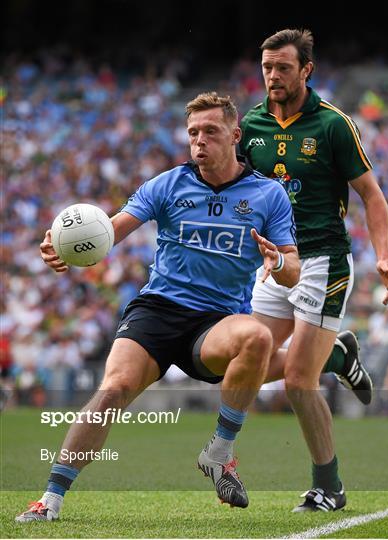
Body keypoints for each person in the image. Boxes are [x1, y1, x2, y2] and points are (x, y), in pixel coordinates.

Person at [16, 92, 300, 522]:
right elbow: (109, 231)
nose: (199, 141)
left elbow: (292, 271)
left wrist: (276, 259)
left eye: (210, 132)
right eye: (193, 133)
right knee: (111, 389)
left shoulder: (268, 195)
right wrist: (65, 247)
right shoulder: (167, 184)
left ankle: (219, 453)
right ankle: (49, 499)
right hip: (158, 310)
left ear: (235, 135)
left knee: (258, 336)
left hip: (217, 321)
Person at [240, 29, 388, 512]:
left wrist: (385, 256)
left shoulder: (332, 125)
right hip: (275, 262)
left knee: (296, 383)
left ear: (307, 70)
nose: (273, 76)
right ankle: (337, 356)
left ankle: (328, 486)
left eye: (283, 68)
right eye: (267, 67)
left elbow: (372, 196)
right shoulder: (251, 125)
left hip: (324, 261)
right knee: (242, 368)